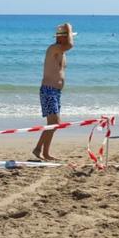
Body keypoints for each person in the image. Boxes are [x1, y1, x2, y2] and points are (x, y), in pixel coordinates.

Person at [31, 23, 74, 161]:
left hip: (55, 91)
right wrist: (69, 28)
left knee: (55, 123)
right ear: (62, 38)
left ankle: (43, 151)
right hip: (48, 90)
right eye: (68, 37)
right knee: (54, 122)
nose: (70, 39)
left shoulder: (61, 52)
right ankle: (40, 150)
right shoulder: (54, 48)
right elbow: (70, 45)